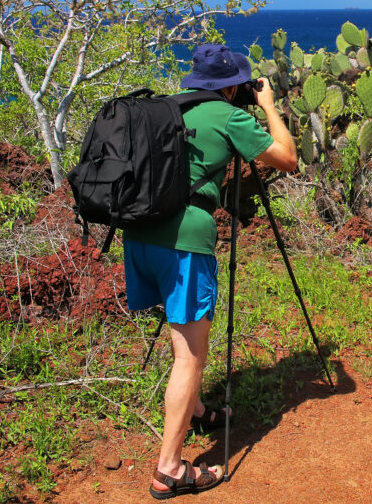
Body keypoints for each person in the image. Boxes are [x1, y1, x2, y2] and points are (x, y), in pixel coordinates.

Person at [122, 44, 297, 499]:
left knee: (181, 334)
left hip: (140, 236)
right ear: (233, 86)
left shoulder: (166, 108)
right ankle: (169, 470)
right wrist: (268, 106)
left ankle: (195, 408)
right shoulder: (227, 116)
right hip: (184, 243)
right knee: (191, 355)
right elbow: (286, 157)